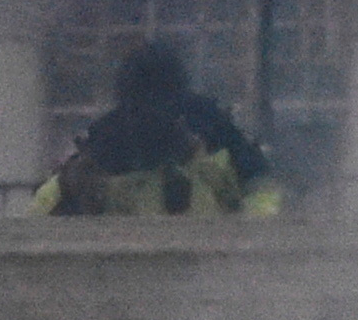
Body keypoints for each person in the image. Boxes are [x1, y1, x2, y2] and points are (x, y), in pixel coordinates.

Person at [37, 41, 280, 217]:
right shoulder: (98, 153)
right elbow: (37, 227)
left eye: (162, 107)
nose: (151, 117)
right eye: (141, 108)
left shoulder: (215, 137)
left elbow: (263, 193)